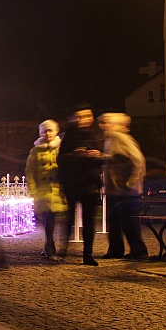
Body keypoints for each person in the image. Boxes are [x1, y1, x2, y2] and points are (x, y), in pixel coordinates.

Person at [56, 105, 104, 266]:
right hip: (73, 183)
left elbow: (102, 159)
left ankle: (88, 254)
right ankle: (64, 250)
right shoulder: (70, 136)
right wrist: (76, 154)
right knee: (69, 217)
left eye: (88, 116)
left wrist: (97, 155)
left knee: (89, 220)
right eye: (81, 116)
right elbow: (61, 159)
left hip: (90, 183)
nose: (84, 120)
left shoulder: (94, 135)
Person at [99, 113, 148, 260]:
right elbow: (117, 159)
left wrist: (131, 183)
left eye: (105, 122)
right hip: (117, 189)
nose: (102, 125)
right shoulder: (112, 139)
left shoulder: (117, 137)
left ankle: (138, 251)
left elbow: (137, 160)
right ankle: (116, 250)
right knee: (116, 222)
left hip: (124, 190)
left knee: (128, 221)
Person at [26, 119, 66, 260]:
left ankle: (50, 246)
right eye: (44, 131)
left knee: (53, 218)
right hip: (43, 190)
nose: (47, 133)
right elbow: (30, 171)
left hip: (57, 188)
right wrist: (33, 190)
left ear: (56, 131)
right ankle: (49, 246)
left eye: (50, 130)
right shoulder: (36, 150)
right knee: (48, 218)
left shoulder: (61, 148)